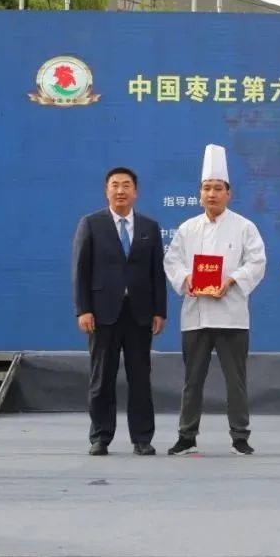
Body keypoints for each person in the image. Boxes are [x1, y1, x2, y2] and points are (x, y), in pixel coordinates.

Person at [163, 144, 267, 456]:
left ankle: (240, 437)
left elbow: (257, 262)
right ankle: (186, 436)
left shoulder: (244, 227)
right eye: (207, 188)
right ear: (199, 193)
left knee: (236, 381)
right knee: (192, 380)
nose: (212, 194)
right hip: (195, 315)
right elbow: (172, 261)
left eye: (218, 188)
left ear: (229, 193)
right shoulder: (187, 228)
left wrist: (231, 280)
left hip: (231, 315)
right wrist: (187, 279)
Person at [72, 167, 167, 456]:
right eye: (115, 185)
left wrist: (159, 311)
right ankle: (100, 436)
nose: (121, 190)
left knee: (140, 378)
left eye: (126, 185)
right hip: (102, 313)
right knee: (102, 377)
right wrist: (83, 309)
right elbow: (80, 270)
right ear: (107, 191)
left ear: (135, 192)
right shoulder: (91, 223)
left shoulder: (149, 227)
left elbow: (157, 273)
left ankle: (142, 438)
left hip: (140, 313)